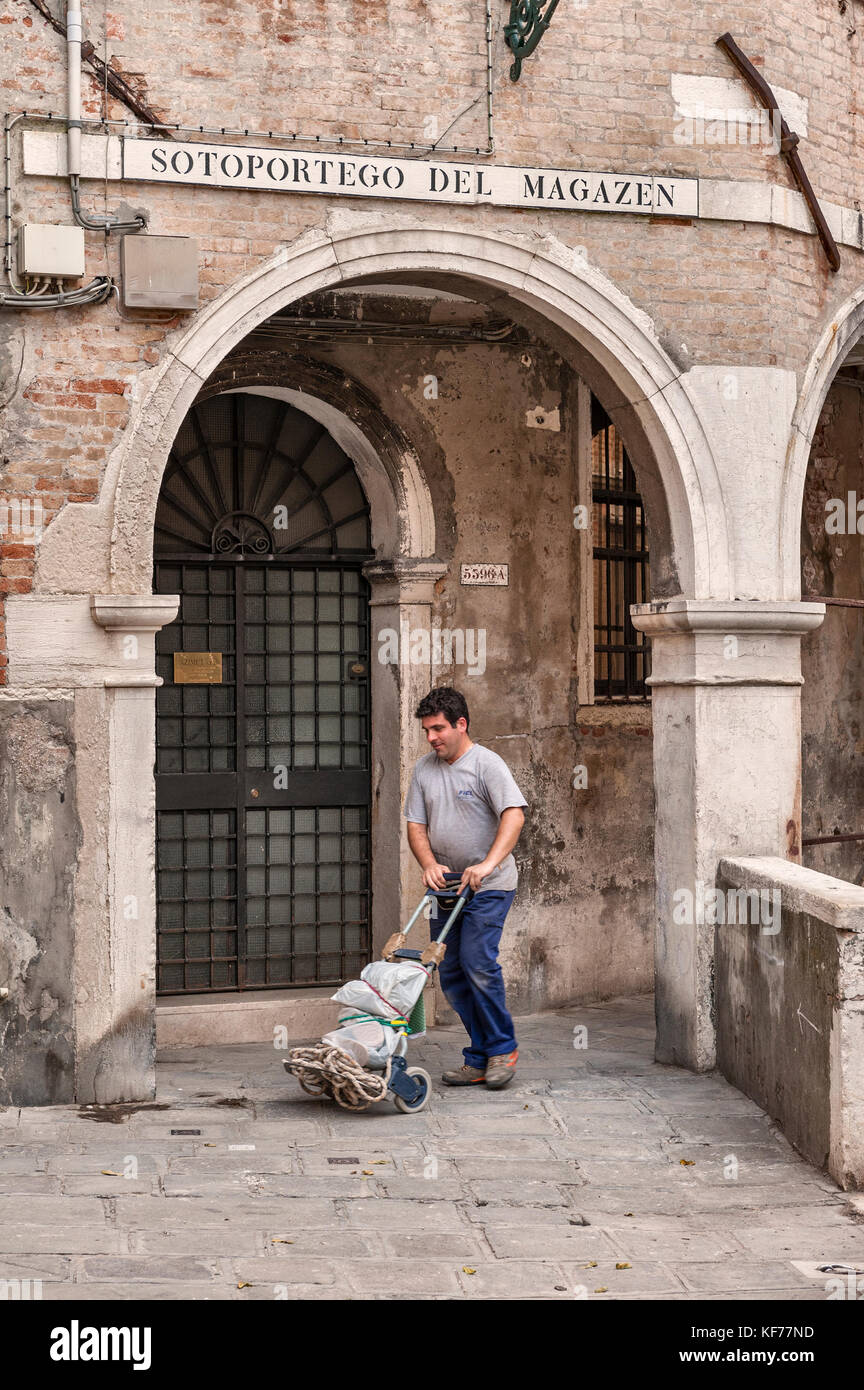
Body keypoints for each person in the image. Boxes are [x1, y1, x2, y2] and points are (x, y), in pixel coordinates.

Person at [402, 687, 527, 1089]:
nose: (431, 738)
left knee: (477, 961)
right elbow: (416, 826)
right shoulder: (423, 770)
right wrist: (428, 863)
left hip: (490, 885)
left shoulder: (486, 765)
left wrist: (487, 864)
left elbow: (514, 815)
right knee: (452, 972)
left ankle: (502, 1049)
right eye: (426, 730)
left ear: (461, 724)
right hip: (447, 887)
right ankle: (479, 1056)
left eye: (438, 728)